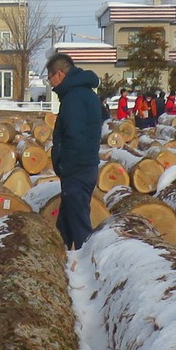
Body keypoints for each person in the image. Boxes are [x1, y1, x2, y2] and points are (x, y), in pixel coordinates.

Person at [46, 50, 102, 250]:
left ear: (59, 74)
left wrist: (65, 166)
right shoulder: (83, 93)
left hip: (77, 170)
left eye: (50, 77)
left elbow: (74, 137)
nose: (50, 83)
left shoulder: (74, 98)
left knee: (80, 228)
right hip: (83, 168)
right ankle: (60, 257)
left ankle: (87, 270)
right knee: (66, 222)